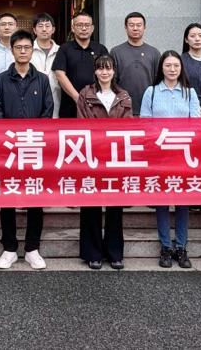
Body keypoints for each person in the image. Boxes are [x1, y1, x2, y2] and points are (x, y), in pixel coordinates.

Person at [0, 29, 54, 270]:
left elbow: (48, 110)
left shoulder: (42, 79)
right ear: (12, 50)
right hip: (8, 148)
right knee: (7, 196)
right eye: (19, 48)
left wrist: (33, 136)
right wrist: (9, 137)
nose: (23, 51)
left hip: (34, 146)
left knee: (35, 197)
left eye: (27, 47)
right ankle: (9, 248)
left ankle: (32, 248)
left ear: (32, 50)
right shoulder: (1, 80)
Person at [140, 50, 200, 269]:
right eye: (168, 66)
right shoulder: (152, 92)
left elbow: (196, 123)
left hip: (183, 155)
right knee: (162, 202)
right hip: (160, 155)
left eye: (176, 66)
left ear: (181, 68)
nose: (172, 69)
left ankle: (181, 246)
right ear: (161, 68)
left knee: (183, 202)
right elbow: (145, 123)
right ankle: (165, 246)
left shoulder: (189, 93)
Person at [76, 55, 133, 269]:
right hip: (92, 155)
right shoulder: (86, 94)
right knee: (91, 205)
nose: (104, 72)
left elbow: (128, 125)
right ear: (95, 71)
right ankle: (92, 253)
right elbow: (81, 123)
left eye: (108, 68)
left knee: (115, 206)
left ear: (114, 71)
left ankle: (114, 253)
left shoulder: (123, 96)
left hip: (116, 156)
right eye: (100, 68)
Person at [54, 11, 109, 118]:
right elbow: (59, 74)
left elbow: (107, 74)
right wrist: (78, 98)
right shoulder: (64, 49)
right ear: (73, 28)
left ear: (92, 28)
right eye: (79, 25)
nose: (84, 28)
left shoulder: (101, 49)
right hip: (70, 106)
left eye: (87, 25)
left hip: (96, 105)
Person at [110, 12, 160, 116]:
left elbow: (159, 81)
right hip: (123, 108)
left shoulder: (154, 52)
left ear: (144, 27)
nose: (135, 28)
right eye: (131, 25)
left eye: (139, 25)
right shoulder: (116, 52)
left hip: (148, 108)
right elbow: (111, 82)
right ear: (125, 27)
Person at [30, 13, 61, 118]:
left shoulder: (61, 51)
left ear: (53, 30)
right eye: (40, 26)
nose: (44, 29)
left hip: (57, 101)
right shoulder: (27, 50)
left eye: (47, 26)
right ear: (34, 30)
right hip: (31, 101)